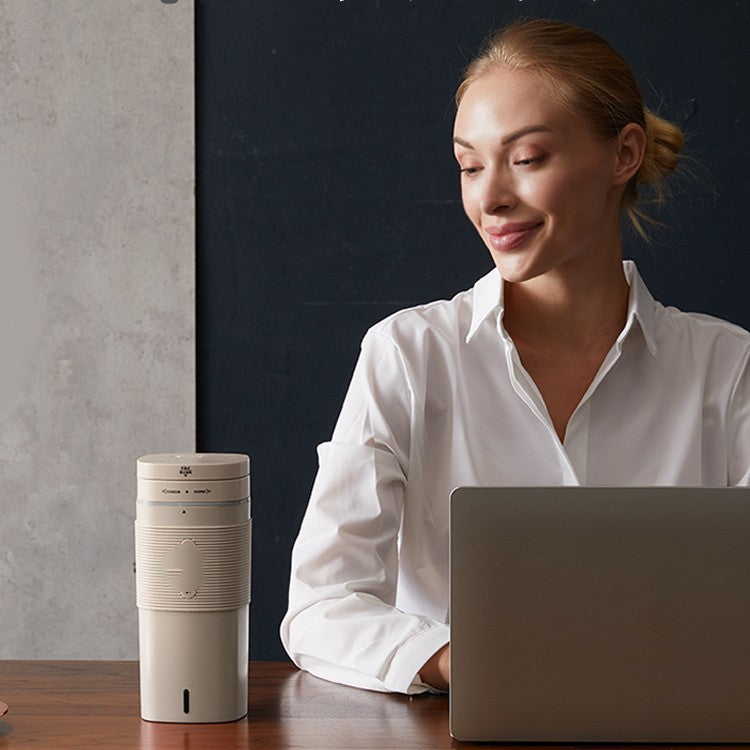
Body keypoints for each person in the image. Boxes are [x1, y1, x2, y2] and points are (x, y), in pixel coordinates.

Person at [280, 18, 750, 694]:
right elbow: (321, 606)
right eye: (470, 166)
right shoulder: (409, 356)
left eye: (526, 159)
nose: (489, 197)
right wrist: (458, 662)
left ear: (624, 155)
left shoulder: (729, 370)